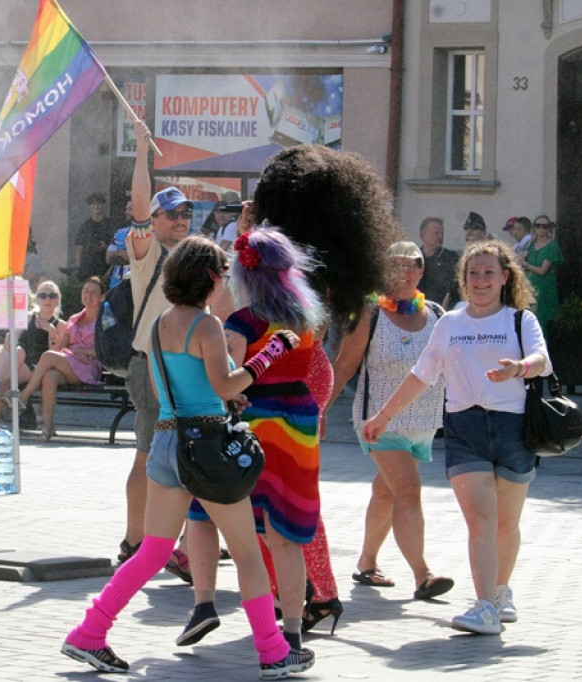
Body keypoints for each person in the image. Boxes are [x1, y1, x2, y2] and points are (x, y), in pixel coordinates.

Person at [61, 235, 314, 680]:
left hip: (166, 443)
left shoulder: (160, 323)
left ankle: (89, 632)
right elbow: (226, 386)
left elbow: (167, 390)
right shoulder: (208, 325)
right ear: (212, 279)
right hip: (208, 447)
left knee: (152, 552)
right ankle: (274, 651)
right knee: (247, 554)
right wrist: (271, 353)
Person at [183, 144, 402, 643]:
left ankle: (312, 594)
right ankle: (307, 593)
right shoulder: (309, 261)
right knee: (290, 493)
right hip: (307, 374)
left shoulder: (263, 256)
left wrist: (243, 237)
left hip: (277, 379)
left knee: (271, 493)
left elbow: (220, 315)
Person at [363, 240, 550, 635]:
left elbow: (542, 361)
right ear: (464, 279)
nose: (480, 280)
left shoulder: (519, 321)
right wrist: (383, 416)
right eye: (473, 273)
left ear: (504, 278)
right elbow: (421, 375)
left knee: (506, 524)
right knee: (481, 520)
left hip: (514, 429)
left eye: (488, 273)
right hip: (465, 429)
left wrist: (518, 367)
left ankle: (500, 591)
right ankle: (484, 607)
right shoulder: (450, 323)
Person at [181, 228, 326, 654]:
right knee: (285, 532)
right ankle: (294, 631)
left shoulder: (242, 323)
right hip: (299, 422)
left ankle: (203, 603)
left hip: (255, 423)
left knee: (204, 510)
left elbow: (229, 382)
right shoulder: (305, 321)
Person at [325, 242, 453, 606]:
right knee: (408, 493)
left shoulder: (437, 314)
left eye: (411, 266)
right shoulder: (371, 315)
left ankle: (366, 563)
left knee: (386, 491)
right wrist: (320, 411)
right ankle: (423, 575)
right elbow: (345, 366)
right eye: (395, 267)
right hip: (378, 423)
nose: (403, 273)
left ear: (421, 272)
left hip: (424, 422)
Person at [119, 120, 193, 564]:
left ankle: (175, 544)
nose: (182, 221)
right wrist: (143, 150)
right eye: (174, 214)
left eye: (187, 214)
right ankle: (133, 542)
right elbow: (141, 207)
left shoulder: (191, 255)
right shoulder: (148, 252)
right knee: (148, 454)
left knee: (180, 459)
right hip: (150, 366)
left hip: (183, 371)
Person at [16, 277, 105, 441]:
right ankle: (48, 428)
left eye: (93, 292)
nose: (88, 295)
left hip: (89, 365)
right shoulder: (74, 319)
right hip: (70, 362)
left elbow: (106, 349)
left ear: (102, 297)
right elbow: (64, 345)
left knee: (49, 356)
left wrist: (84, 352)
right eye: (85, 291)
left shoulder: (104, 319)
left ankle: (23, 396)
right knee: (50, 376)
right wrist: (71, 351)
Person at [0, 279, 66, 438]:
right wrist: (10, 335)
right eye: (43, 295)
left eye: (52, 295)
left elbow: (55, 356)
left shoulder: (61, 326)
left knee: (5, 371)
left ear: (57, 300)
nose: (47, 299)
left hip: (36, 369)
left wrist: (51, 331)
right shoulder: (27, 317)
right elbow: (13, 339)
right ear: (37, 299)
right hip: (15, 360)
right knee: (17, 353)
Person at [520, 214, 562, 331]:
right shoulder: (529, 245)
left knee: (540, 322)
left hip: (543, 289)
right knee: (527, 320)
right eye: (538, 226)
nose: (541, 229)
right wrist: (522, 258)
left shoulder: (552, 246)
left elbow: (542, 270)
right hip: (529, 287)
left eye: (544, 226)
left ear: (549, 228)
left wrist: (527, 265)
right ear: (534, 228)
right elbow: (520, 266)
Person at [418, 216, 460, 309]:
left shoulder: (451, 258)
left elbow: (454, 289)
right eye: (436, 233)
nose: (440, 237)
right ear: (423, 235)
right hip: (416, 310)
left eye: (442, 233)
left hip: (442, 311)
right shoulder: (415, 258)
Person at [74, 192, 114, 281]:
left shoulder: (110, 226)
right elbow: (79, 250)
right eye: (93, 203)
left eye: (99, 203)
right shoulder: (85, 226)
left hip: (104, 270)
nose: (96, 206)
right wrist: (79, 268)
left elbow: (117, 250)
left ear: (103, 205)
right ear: (90, 206)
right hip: (87, 270)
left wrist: (106, 247)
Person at [105, 199, 133, 289]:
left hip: (134, 285)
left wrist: (119, 253)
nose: (126, 212)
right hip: (115, 285)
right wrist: (123, 253)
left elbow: (138, 260)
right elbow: (108, 258)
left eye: (130, 209)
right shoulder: (120, 232)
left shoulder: (149, 233)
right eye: (126, 209)